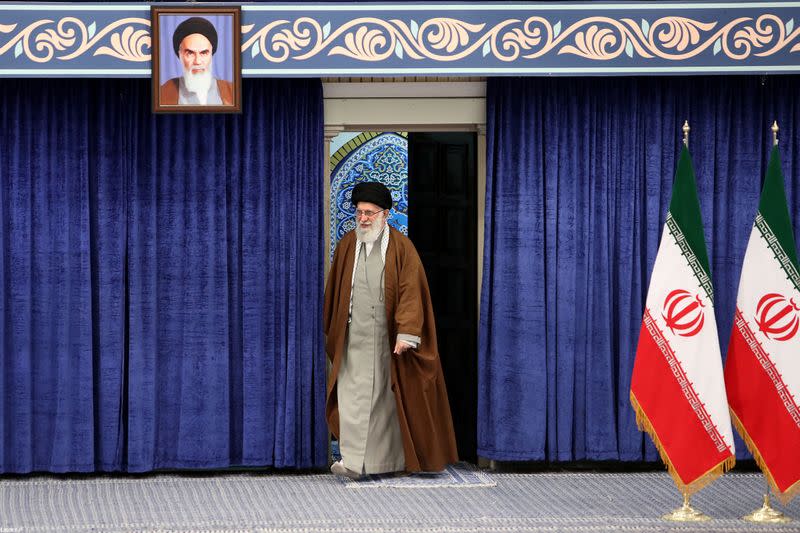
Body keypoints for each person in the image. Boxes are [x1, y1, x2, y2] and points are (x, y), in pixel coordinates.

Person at [324, 181, 458, 480]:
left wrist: (406, 334)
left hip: (386, 342)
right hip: (353, 339)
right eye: (359, 212)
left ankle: (384, 464)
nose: (364, 219)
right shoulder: (348, 244)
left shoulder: (401, 248)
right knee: (351, 398)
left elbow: (411, 292)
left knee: (384, 403)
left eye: (370, 213)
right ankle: (354, 463)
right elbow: (334, 290)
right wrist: (333, 329)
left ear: (385, 214)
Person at [159, 17, 233, 106]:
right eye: (190, 53)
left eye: (204, 53)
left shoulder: (231, 91)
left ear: (211, 54)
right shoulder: (163, 93)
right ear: (180, 55)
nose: (197, 61)